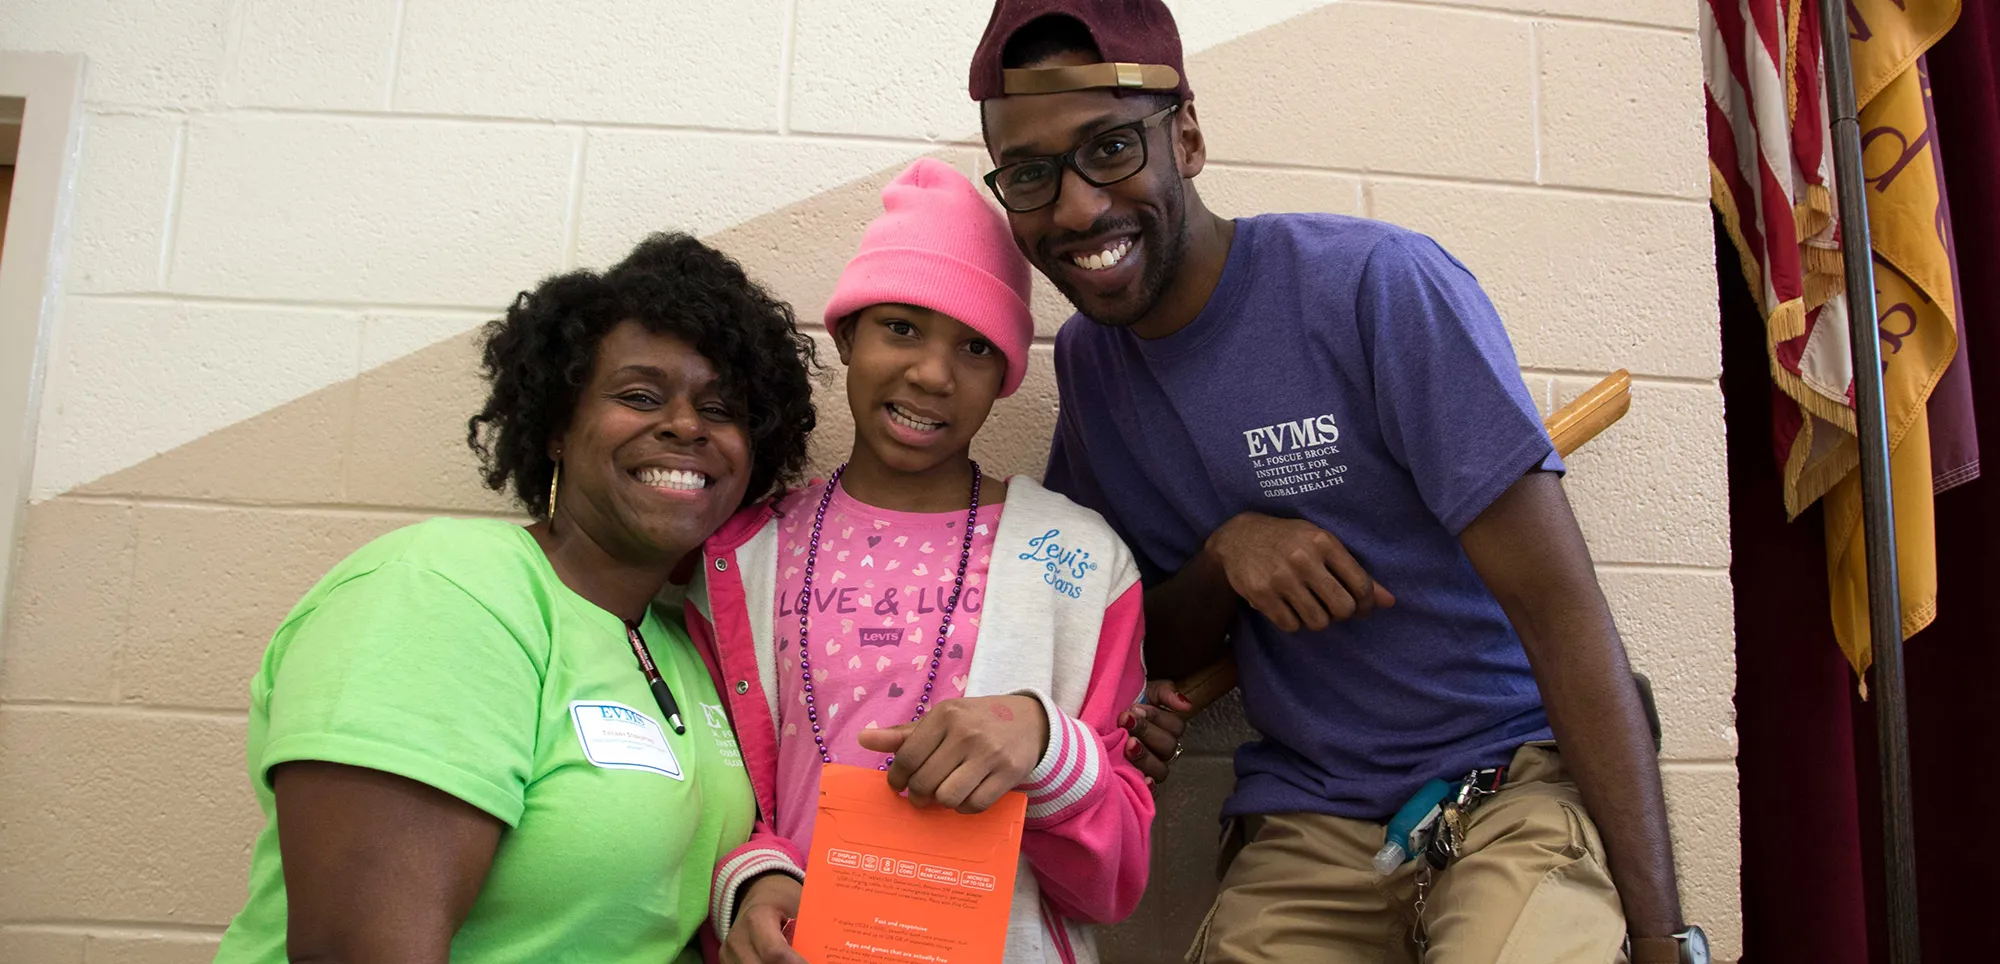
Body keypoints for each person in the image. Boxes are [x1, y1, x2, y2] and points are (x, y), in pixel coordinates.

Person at [968, 3, 1709, 964]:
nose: (1075, 208)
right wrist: (1226, 557)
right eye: (1031, 175)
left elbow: (1563, 616)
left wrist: (1661, 936)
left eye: (1111, 147)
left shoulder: (1374, 286)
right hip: (1311, 817)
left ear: (1185, 137)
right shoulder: (1094, 366)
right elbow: (1142, 636)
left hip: (1512, 783)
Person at [211, 233, 819, 964]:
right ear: (558, 427)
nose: (686, 425)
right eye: (640, 396)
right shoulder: (443, 593)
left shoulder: (678, 643)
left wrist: (759, 883)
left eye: (721, 409)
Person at [686, 158, 1155, 964]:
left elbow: (1114, 883)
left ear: (1006, 378)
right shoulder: (742, 558)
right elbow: (701, 801)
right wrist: (751, 882)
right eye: (901, 327)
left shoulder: (1079, 564)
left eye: (975, 347)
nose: (933, 374)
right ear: (845, 335)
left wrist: (1046, 748)